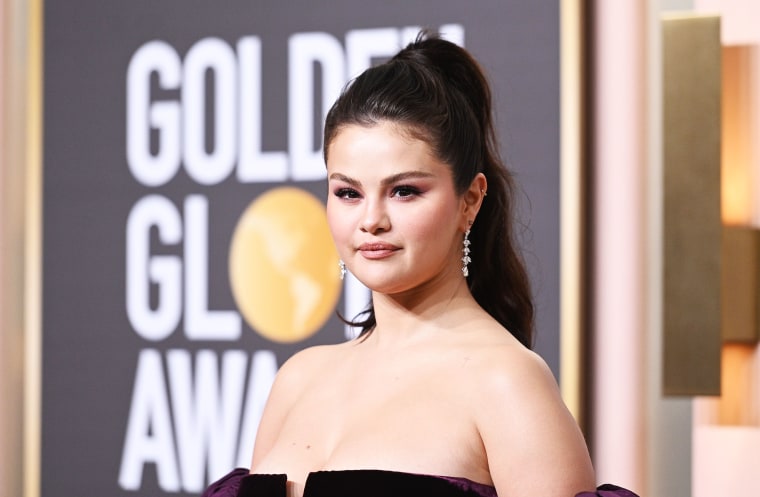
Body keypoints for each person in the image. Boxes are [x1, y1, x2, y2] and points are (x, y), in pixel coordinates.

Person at [204, 32, 638, 497]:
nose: (371, 220)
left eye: (404, 191)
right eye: (348, 192)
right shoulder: (297, 378)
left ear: (469, 200)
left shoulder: (507, 383)